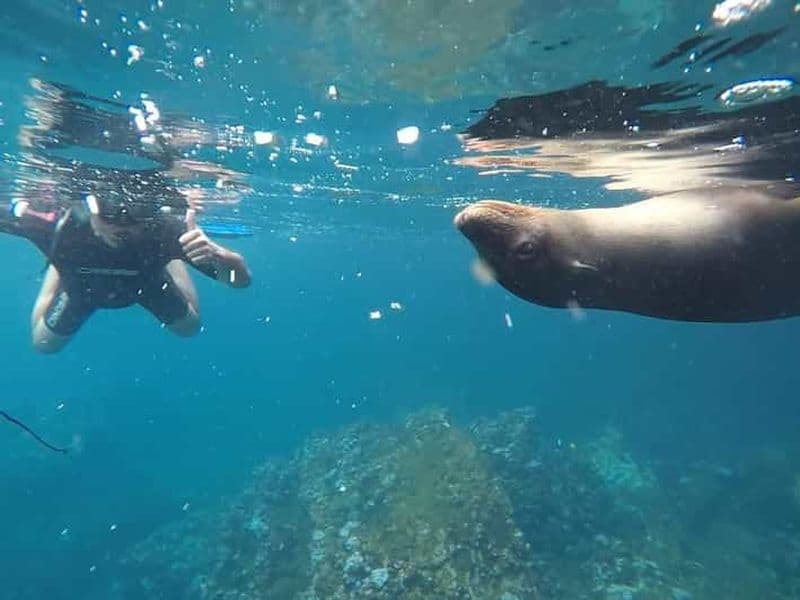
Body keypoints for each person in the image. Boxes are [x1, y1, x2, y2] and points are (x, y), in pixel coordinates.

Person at [1, 182, 251, 353]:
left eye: (135, 213)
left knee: (190, 329)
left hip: (147, 284)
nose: (122, 222)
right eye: (111, 211)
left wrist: (221, 255)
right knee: (43, 345)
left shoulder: (164, 231)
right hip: (80, 287)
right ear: (92, 207)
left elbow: (239, 282)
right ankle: (60, 265)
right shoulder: (57, 226)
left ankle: (174, 261)